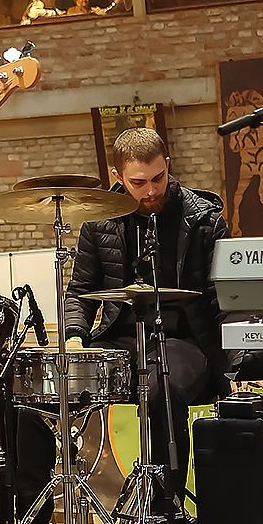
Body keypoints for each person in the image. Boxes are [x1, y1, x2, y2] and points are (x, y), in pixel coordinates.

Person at [64, 125, 223, 496]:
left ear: (168, 164)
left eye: (158, 178)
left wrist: (238, 363)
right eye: (139, 182)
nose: (151, 191)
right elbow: (81, 291)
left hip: (184, 340)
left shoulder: (204, 219)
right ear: (117, 176)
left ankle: (165, 510)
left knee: (159, 390)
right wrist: (74, 337)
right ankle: (34, 520)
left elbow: (222, 299)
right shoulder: (98, 223)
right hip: (121, 339)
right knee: (36, 395)